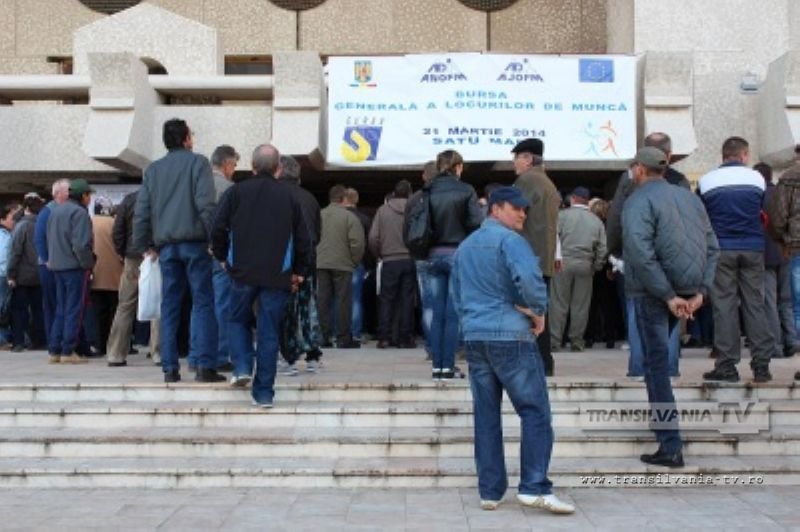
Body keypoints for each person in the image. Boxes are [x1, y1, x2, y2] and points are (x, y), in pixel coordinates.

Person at [452, 186, 574, 514]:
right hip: (510, 337)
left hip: (476, 337)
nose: (522, 213)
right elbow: (531, 281)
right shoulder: (511, 241)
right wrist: (538, 311)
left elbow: (456, 295)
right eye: (516, 208)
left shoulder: (465, 246)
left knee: (486, 415)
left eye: (524, 209)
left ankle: (490, 491)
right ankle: (534, 486)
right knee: (535, 412)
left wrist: (470, 325)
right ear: (495, 208)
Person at [623, 147, 719, 467]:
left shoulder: (638, 200)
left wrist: (666, 294)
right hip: (685, 290)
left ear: (639, 169)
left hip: (654, 292)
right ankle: (667, 437)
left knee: (656, 368)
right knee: (659, 363)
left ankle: (670, 443)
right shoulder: (690, 199)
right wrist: (700, 292)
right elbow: (713, 247)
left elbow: (639, 251)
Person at [211, 144, 313, 408]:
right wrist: (300, 272)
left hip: (241, 272)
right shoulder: (290, 196)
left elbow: (217, 228)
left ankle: (242, 366)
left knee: (237, 319)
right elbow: (304, 239)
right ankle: (264, 393)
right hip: (277, 275)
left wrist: (222, 258)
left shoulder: (235, 192)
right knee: (269, 332)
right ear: (278, 168)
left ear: (253, 167)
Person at [132, 118, 224, 383]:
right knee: (203, 302)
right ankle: (205, 365)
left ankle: (170, 368)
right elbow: (206, 205)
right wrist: (215, 240)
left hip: (166, 247)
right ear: (186, 139)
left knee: (170, 305)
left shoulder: (153, 170)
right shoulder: (198, 163)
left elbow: (142, 210)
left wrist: (144, 245)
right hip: (195, 243)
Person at [606, 132, 688, 377]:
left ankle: (639, 367)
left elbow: (616, 216)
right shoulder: (680, 181)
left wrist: (615, 250)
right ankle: (668, 368)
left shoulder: (630, 179)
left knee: (637, 308)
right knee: (671, 308)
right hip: (673, 255)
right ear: (669, 155)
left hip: (637, 254)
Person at [699, 137, 774, 383]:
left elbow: (702, 217)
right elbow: (764, 212)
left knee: (724, 307)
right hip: (753, 247)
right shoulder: (757, 179)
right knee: (755, 304)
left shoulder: (706, 181)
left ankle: (727, 366)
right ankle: (761, 366)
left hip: (721, 249)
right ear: (744, 155)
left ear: (723, 156)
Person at [417, 150, 482, 380]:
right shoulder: (466, 190)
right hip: (457, 254)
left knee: (437, 313)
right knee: (453, 313)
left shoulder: (427, 190)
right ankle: (448, 366)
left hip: (432, 255)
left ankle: (437, 367)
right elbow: (476, 223)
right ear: (458, 167)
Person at [512, 138, 560, 376]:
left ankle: (536, 363)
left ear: (528, 158)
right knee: (539, 312)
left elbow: (512, 214)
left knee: (527, 313)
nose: (514, 163)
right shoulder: (547, 182)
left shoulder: (528, 180)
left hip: (528, 258)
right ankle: (544, 363)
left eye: (516, 158)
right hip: (543, 258)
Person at [277, 154, 323, 375]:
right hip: (308, 261)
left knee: (286, 310)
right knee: (308, 307)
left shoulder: (277, 195)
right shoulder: (310, 198)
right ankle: (313, 355)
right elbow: (317, 234)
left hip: (284, 263)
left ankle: (289, 358)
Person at [549, 186, 607, 352]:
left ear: (572, 199)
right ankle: (577, 341)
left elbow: (552, 239)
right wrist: (596, 266)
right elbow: (603, 248)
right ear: (587, 201)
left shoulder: (562, 216)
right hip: (585, 264)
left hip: (562, 263)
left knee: (558, 303)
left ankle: (554, 341)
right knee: (580, 306)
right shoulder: (596, 221)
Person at [106, 190, 160, 367]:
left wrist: (122, 252)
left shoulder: (129, 199)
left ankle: (115, 353)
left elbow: (118, 230)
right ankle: (158, 352)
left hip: (132, 257)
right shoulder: (161, 195)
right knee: (157, 302)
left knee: (125, 305)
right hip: (156, 256)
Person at [46, 179, 96, 365]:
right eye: (89, 195)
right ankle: (68, 350)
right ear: (83, 196)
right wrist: (88, 264)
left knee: (61, 308)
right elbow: (81, 245)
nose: (90, 199)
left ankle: (55, 350)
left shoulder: (55, 211)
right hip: (74, 267)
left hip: (57, 266)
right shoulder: (79, 213)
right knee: (75, 309)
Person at [756, 162, 799, 359]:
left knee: (769, 301)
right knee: (787, 300)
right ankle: (792, 340)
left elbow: (774, 222)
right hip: (786, 252)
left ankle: (775, 345)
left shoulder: (758, 196)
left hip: (766, 254)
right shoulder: (781, 190)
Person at [369, 180, 417, 349]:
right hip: (409, 259)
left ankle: (384, 337)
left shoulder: (382, 210)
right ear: (410, 193)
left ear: (394, 193)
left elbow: (373, 237)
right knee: (407, 300)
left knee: (386, 299)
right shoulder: (415, 209)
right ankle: (405, 338)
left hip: (389, 260)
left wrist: (379, 255)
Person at [316, 185, 364, 349]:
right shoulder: (350, 217)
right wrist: (353, 262)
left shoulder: (319, 215)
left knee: (322, 300)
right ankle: (343, 338)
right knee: (343, 301)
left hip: (321, 263)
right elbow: (357, 243)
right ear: (344, 199)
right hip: (343, 265)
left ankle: (323, 337)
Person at [766, 148, 800, 381]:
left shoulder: (789, 178)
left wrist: (782, 241)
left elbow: (777, 217)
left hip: (797, 246)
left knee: (799, 307)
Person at [209, 144, 240, 373]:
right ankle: (221, 355)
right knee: (223, 304)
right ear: (227, 164)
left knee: (200, 305)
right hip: (219, 254)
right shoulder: (229, 189)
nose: (235, 170)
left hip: (196, 251)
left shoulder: (196, 184)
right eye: (235, 165)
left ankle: (199, 356)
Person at [34, 179, 71, 354]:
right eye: (68, 190)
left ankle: (62, 341)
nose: (70, 193)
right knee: (52, 305)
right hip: (49, 266)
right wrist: (47, 259)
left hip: (60, 265)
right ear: (58, 193)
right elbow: (39, 238)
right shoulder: (47, 211)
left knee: (62, 305)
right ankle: (53, 342)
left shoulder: (64, 209)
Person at [7, 193, 46, 351]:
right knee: (39, 310)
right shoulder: (45, 224)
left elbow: (15, 252)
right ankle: (40, 341)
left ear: (26, 208)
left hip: (22, 275)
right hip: (41, 273)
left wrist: (11, 274)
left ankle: (19, 342)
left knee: (19, 310)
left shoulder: (22, 226)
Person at [89, 200, 122, 357]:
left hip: (95, 272)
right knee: (115, 311)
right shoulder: (114, 223)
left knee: (97, 312)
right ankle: (115, 344)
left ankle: (99, 344)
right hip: (115, 274)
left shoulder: (89, 222)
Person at [343, 187, 372, 343]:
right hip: (357, 262)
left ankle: (337, 332)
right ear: (356, 200)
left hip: (339, 262)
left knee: (338, 298)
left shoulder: (337, 217)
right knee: (355, 299)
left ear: (343, 199)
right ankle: (356, 333)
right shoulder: (364, 219)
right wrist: (369, 264)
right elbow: (369, 244)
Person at [0, 204, 17, 348]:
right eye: (12, 218)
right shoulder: (3, 235)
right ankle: (2, 339)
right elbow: (4, 257)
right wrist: (9, 274)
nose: (14, 221)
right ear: (2, 219)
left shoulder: (9, 234)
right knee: (2, 308)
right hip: (2, 275)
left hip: (5, 275)